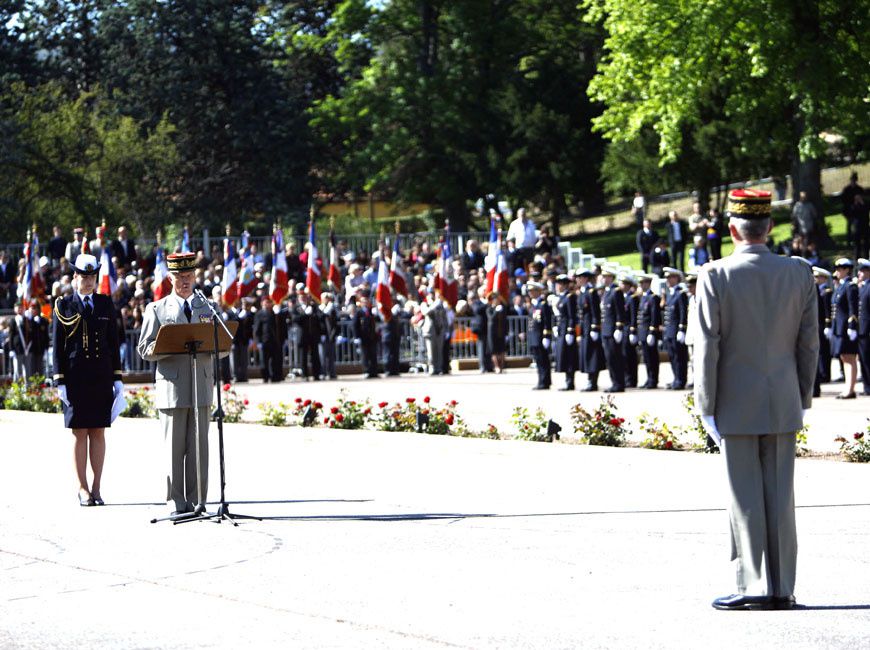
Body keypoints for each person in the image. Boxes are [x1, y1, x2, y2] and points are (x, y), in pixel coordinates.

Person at [694, 188, 818, 611]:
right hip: (783, 397)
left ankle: (752, 585)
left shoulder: (715, 275)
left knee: (745, 496)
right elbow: (808, 345)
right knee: (781, 496)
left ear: (732, 229)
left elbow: (707, 345)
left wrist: (705, 405)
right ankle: (782, 587)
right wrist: (801, 396)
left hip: (735, 401)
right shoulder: (799, 272)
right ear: (770, 228)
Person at [137, 252, 224, 517]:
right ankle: (176, 502)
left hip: (201, 386)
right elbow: (144, 348)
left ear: (195, 276)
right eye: (179, 277)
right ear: (171, 278)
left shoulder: (206, 307)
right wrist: (168, 345)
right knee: (174, 449)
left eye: (188, 276)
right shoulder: (158, 309)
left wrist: (217, 345)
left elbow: (222, 343)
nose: (184, 281)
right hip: (172, 388)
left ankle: (198, 501)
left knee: (199, 449)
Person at [53, 254, 123, 507]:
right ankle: (82, 487)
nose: (89, 281)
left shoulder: (104, 304)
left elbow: (114, 344)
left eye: (92, 276)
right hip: (75, 377)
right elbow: (57, 347)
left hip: (101, 376)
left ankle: (97, 487)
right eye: (84, 276)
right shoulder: (64, 305)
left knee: (98, 431)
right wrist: (59, 380)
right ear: (75, 277)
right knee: (79, 432)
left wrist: (118, 380)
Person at [830, 258, 860, 399]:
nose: (837, 272)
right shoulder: (841, 286)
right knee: (844, 357)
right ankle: (848, 387)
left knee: (849, 357)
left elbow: (852, 308)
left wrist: (852, 326)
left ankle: (850, 389)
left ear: (847, 270)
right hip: (839, 327)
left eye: (840, 269)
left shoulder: (850, 286)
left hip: (846, 328)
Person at [576, 269, 605, 391]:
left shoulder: (591, 292)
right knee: (586, 355)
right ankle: (589, 380)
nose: (577, 279)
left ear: (585, 278)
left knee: (592, 355)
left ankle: (593, 382)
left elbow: (595, 312)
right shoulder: (582, 292)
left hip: (590, 328)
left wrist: (595, 327)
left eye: (580, 277)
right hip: (584, 328)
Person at [599, 268, 626, 393]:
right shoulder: (607, 292)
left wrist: (619, 327)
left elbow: (620, 312)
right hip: (606, 330)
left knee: (615, 358)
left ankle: (619, 383)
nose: (604, 279)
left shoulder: (616, 291)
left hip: (613, 330)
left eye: (607, 276)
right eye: (603, 276)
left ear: (611, 278)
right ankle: (614, 382)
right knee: (609, 358)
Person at [662, 267, 689, 389]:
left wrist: (682, 329)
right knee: (672, 356)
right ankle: (676, 378)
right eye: (666, 278)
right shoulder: (670, 293)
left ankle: (680, 380)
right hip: (669, 331)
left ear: (676, 278)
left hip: (677, 330)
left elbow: (683, 313)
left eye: (670, 277)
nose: (667, 280)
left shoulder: (681, 294)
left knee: (679, 357)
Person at [552, 275, 579, 390]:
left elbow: (572, 316)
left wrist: (570, 330)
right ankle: (567, 380)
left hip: (567, 330)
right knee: (563, 355)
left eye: (560, 284)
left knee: (569, 356)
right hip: (561, 329)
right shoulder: (561, 297)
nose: (557, 286)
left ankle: (570, 381)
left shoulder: (570, 297)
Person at [636, 273, 662, 389]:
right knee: (646, 358)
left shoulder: (653, 297)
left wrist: (652, 332)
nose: (641, 285)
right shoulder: (643, 297)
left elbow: (654, 316)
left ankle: (653, 379)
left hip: (649, 332)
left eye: (643, 283)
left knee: (652, 358)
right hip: (643, 332)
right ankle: (649, 378)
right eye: (640, 283)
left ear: (648, 283)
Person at [253, 295, 286, 383]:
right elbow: (256, 328)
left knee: (276, 360)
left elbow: (282, 326)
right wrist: (257, 341)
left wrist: (278, 314)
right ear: (262, 303)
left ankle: (276, 376)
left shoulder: (275, 313)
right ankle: (265, 377)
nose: (268, 304)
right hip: (264, 340)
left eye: (269, 302)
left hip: (275, 340)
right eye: (266, 302)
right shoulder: (259, 314)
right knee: (264, 361)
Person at [527, 281, 552, 390]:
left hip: (540, 337)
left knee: (543, 360)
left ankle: (545, 381)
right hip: (534, 337)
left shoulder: (543, 304)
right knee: (538, 361)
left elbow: (547, 321)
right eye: (530, 291)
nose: (530, 293)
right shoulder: (534, 305)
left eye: (532, 291)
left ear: (538, 291)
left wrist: (546, 336)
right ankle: (541, 380)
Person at [812, 267, 833, 395]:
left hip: (819, 324)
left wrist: (827, 324)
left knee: (822, 352)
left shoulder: (825, 291)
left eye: (818, 276)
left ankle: (824, 374)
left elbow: (825, 310)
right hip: (817, 324)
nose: (816, 279)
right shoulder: (817, 288)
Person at [293, 289, 322, 381]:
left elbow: (319, 317)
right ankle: (304, 375)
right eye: (301, 297)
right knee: (303, 357)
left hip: (313, 335)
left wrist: (313, 312)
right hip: (302, 336)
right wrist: (305, 314)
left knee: (315, 356)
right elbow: (295, 319)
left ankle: (316, 374)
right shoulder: (296, 308)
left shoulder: (313, 307)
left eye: (304, 297)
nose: (303, 299)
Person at [620, 275, 640, 388]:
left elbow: (633, 316)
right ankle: (626, 378)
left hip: (629, 329)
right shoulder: (622, 297)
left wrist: (633, 330)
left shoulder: (632, 298)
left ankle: (632, 380)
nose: (621, 286)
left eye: (623, 283)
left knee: (630, 356)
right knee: (624, 356)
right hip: (623, 329)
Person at [353, 294, 379, 378]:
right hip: (363, 337)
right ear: (360, 303)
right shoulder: (359, 312)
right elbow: (355, 325)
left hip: (372, 336)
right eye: (363, 301)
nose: (365, 303)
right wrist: (357, 337)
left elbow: (376, 322)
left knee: (373, 355)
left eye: (367, 301)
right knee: (365, 355)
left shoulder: (371, 311)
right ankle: (366, 371)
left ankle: (374, 372)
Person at [470, 288, 493, 372]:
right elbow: (477, 310)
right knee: (482, 348)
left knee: (489, 348)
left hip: (489, 327)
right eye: (484, 291)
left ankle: (489, 366)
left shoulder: (489, 302)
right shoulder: (477, 302)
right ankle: (482, 366)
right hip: (481, 328)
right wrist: (486, 303)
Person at [857, 258, 870, 396]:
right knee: (863, 359)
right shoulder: (862, 287)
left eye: (862, 270)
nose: (859, 273)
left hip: (868, 329)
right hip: (862, 328)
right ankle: (867, 387)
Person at [486, 291, 508, 373]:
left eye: (497, 299)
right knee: (494, 350)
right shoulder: (489, 309)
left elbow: (505, 319)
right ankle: (497, 366)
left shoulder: (502, 308)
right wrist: (496, 311)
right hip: (492, 333)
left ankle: (502, 366)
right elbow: (491, 318)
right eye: (495, 299)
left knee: (502, 350)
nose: (497, 301)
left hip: (501, 331)